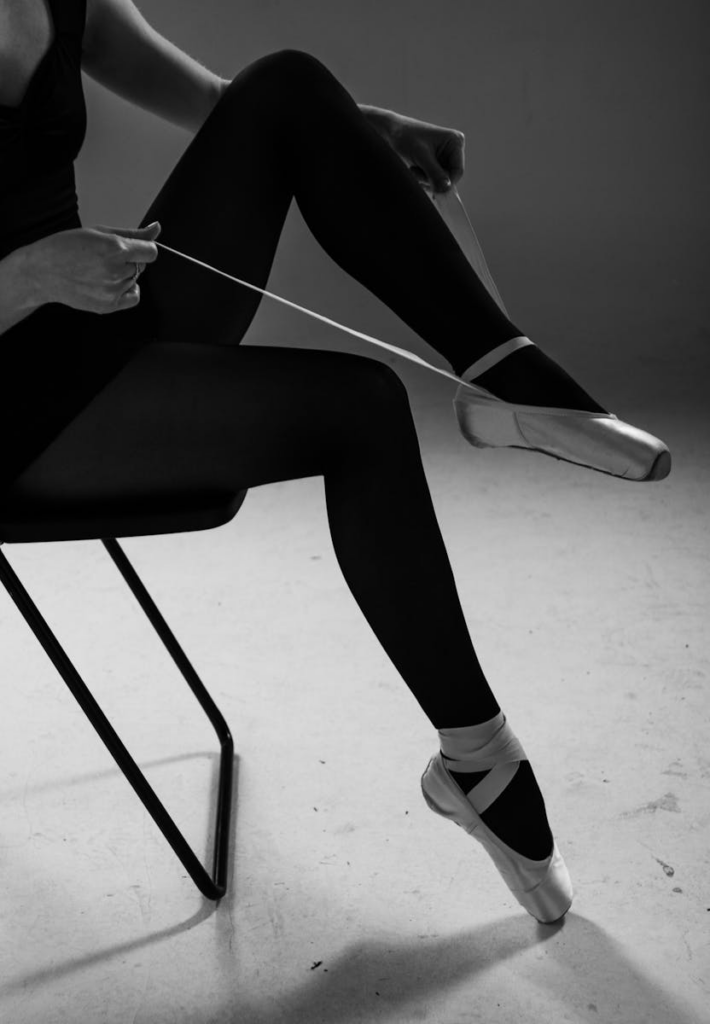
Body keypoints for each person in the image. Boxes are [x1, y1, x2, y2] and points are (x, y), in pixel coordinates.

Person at [0, 0, 670, 922]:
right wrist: (26, 276)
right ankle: (480, 760)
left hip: (86, 316)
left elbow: (217, 103)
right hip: (10, 403)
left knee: (291, 88)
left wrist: (354, 140)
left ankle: (506, 374)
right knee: (361, 408)